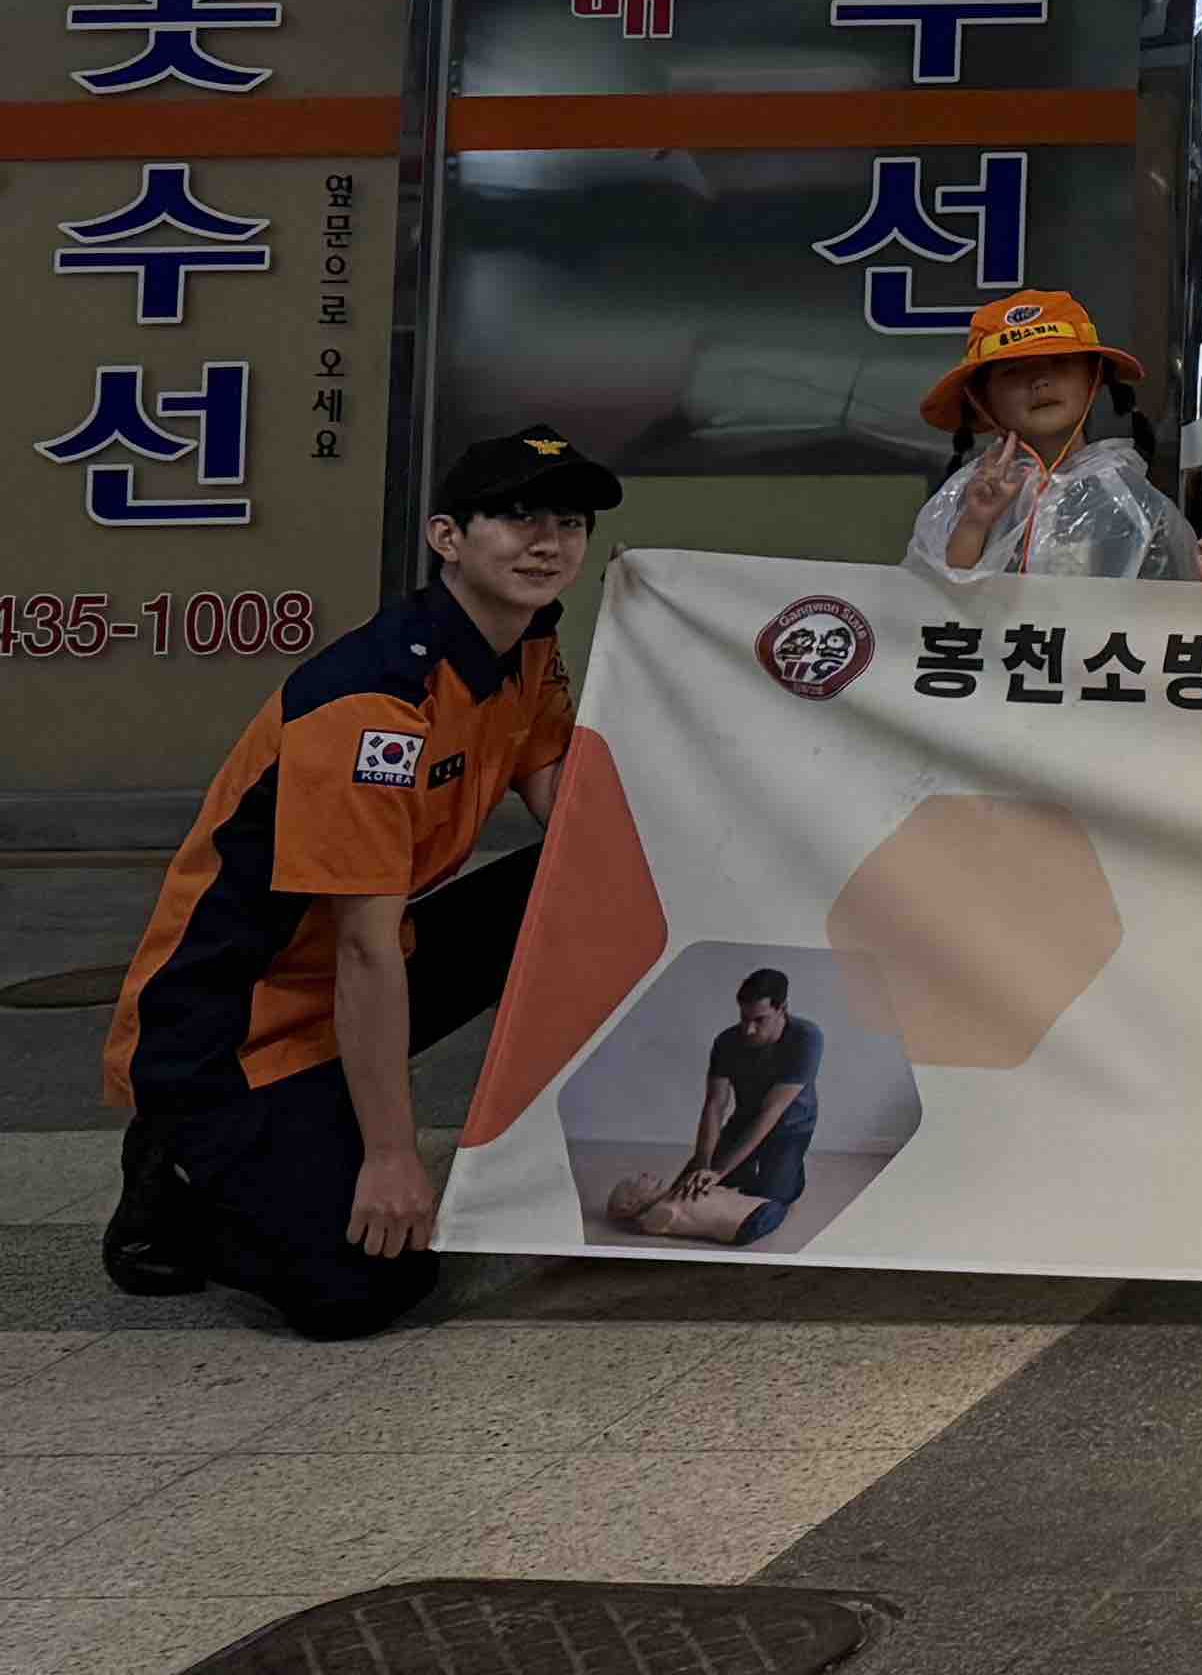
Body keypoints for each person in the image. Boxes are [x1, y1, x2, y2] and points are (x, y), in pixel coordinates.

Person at [102, 427, 614, 1338]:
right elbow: (364, 951)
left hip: (350, 976)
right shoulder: (373, 702)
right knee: (365, 1289)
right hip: (229, 1022)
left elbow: (568, 814)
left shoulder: (528, 641)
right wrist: (391, 1156)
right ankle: (173, 1172)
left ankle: (307, 1125)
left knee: (580, 883)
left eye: (568, 522)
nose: (547, 541)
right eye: (517, 517)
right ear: (447, 537)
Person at [900, 287, 1191, 583]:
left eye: (1060, 362)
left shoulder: (1132, 503)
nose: (1039, 381)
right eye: (1013, 371)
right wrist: (975, 522)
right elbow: (934, 598)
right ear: (982, 399)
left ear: (1093, 376)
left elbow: (1173, 602)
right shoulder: (966, 498)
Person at [605, 969, 820, 1247]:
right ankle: (739, 1172)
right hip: (744, 1121)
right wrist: (703, 1164)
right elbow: (715, 1105)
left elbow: (772, 1111)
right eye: (744, 1019)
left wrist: (719, 1172)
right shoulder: (727, 1041)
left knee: (773, 1195)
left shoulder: (806, 1037)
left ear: (783, 1009)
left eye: (759, 1020)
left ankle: (789, 1176)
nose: (749, 1029)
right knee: (692, 1186)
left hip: (790, 1127)